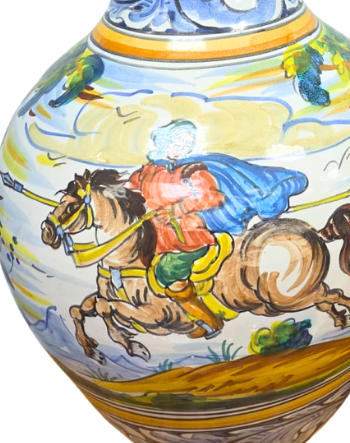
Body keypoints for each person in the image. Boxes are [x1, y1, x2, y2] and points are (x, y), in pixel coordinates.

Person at [129, 120, 310, 339]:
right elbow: (127, 193)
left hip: (186, 237)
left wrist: (176, 210)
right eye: (178, 141)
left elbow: (212, 196)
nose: (183, 147)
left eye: (188, 142)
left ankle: (210, 321)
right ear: (164, 143)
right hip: (150, 236)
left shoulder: (192, 171)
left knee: (169, 272)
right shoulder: (145, 173)